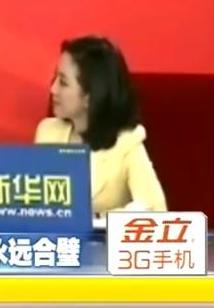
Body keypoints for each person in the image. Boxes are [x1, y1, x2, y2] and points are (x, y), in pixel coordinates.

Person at [35, 35, 166, 213]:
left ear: (90, 96)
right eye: (55, 78)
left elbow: (156, 209)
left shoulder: (127, 143)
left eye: (63, 83)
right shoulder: (47, 132)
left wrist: (98, 221)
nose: (53, 89)